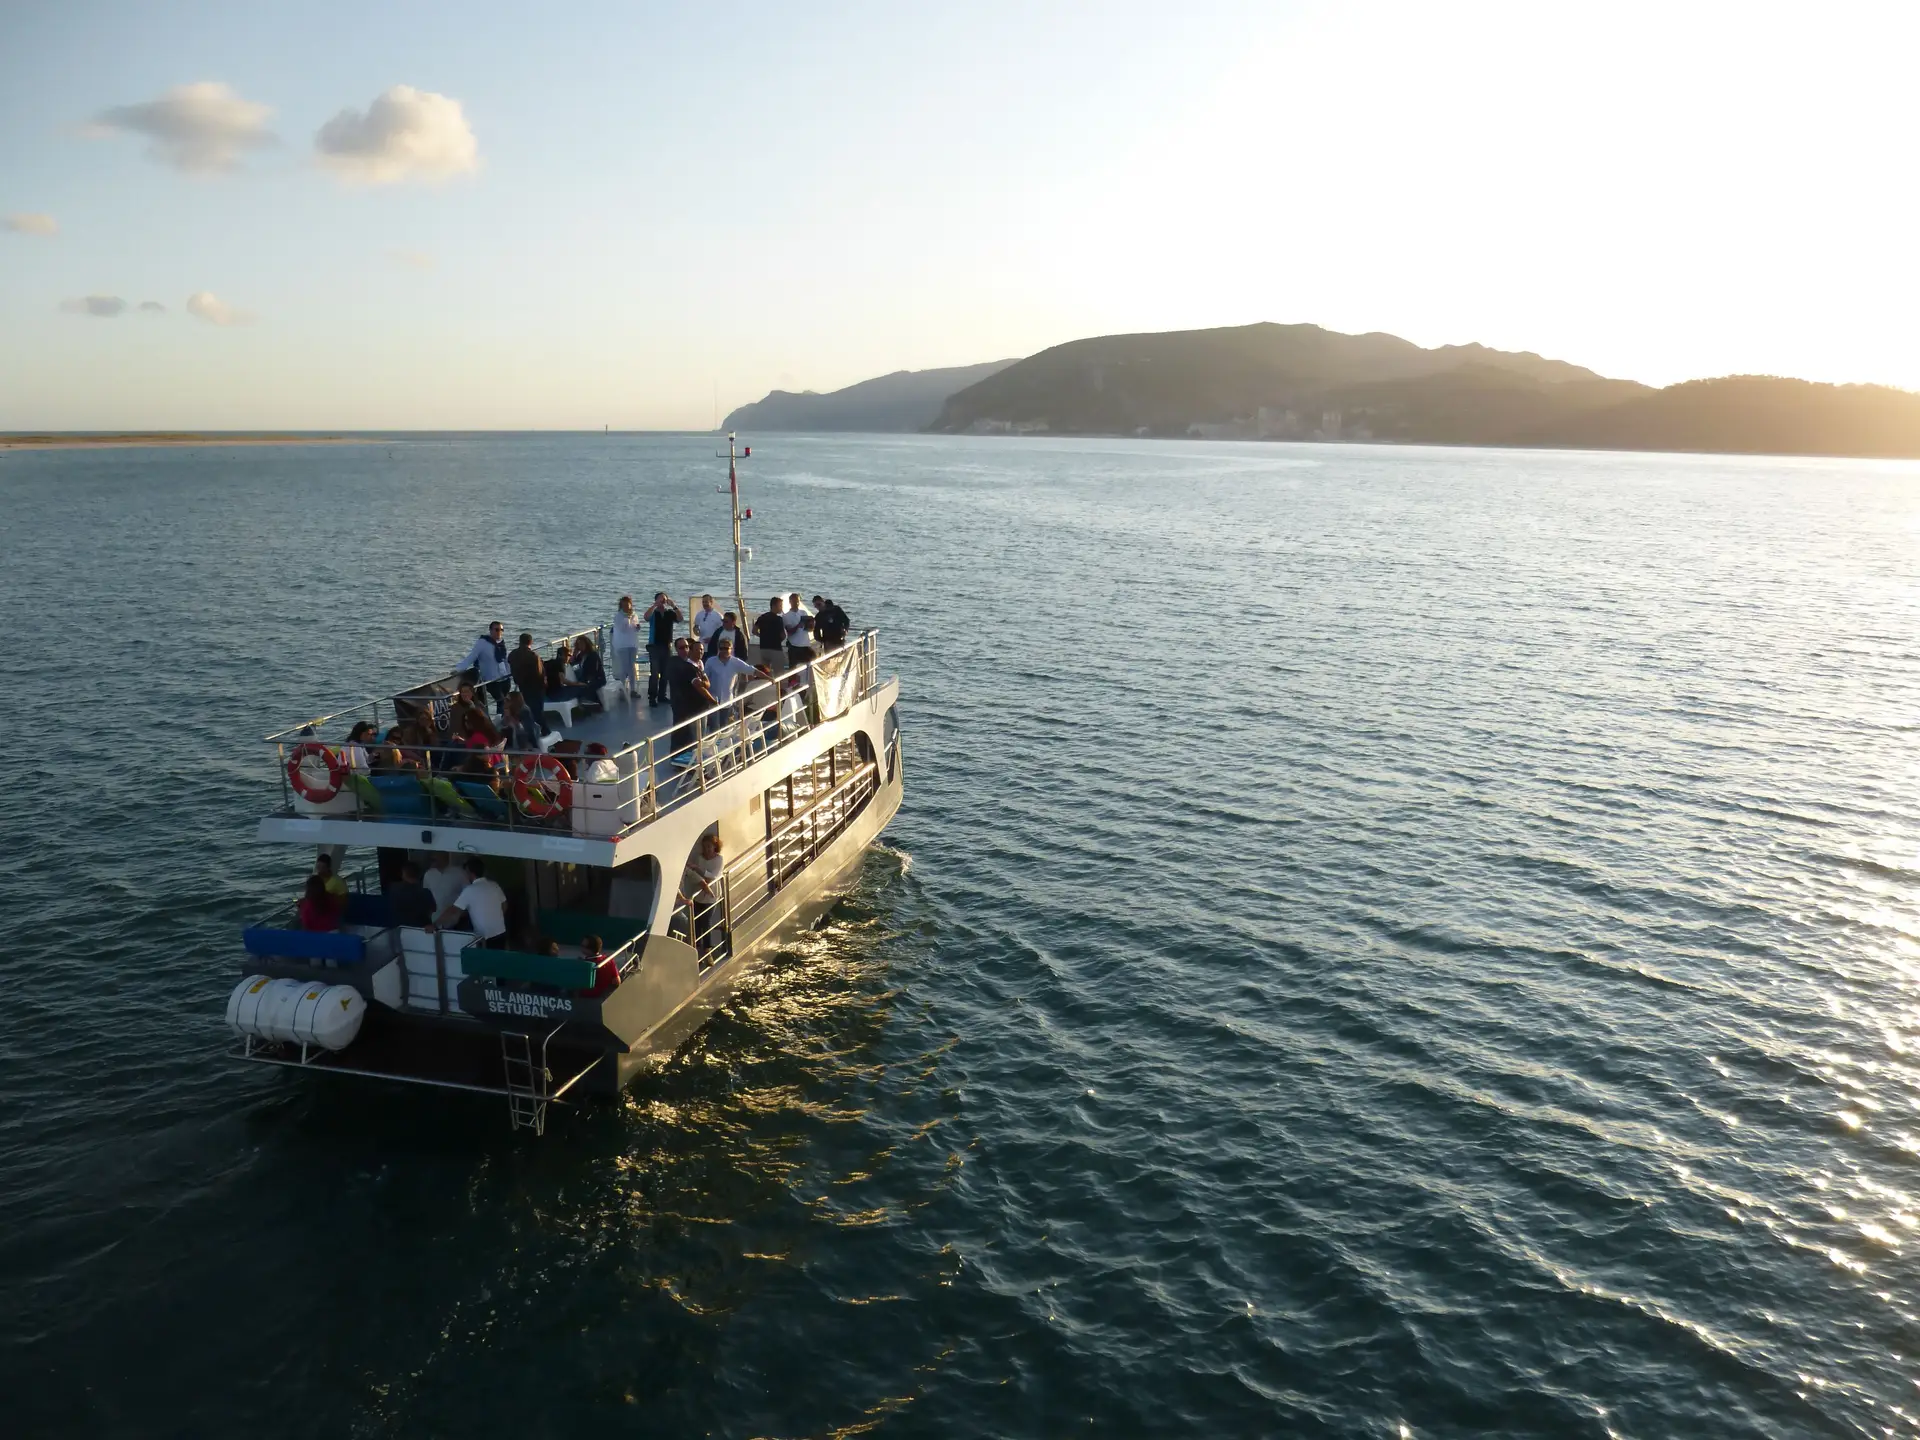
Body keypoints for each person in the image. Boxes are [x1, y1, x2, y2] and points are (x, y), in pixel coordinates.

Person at [434, 856, 508, 944]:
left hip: (485, 937)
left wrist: (435, 924)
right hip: (501, 932)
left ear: (469, 872)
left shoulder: (469, 890)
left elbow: (453, 910)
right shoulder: (494, 885)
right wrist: (494, 916)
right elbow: (504, 905)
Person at [664, 636, 715, 762]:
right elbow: (698, 684)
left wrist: (704, 683)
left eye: (687, 647)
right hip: (680, 703)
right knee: (680, 732)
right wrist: (713, 700)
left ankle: (687, 759)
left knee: (690, 734)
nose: (685, 650)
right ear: (676, 649)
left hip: (691, 705)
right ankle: (677, 759)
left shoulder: (695, 664)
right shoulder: (676, 663)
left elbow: (705, 683)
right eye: (681, 648)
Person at [680, 832, 725, 956]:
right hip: (699, 893)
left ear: (715, 847)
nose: (707, 849)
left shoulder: (719, 859)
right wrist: (701, 875)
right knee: (696, 922)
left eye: (709, 847)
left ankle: (707, 950)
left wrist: (696, 868)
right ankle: (696, 947)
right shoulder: (700, 858)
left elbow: (713, 876)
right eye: (705, 847)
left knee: (706, 921)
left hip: (712, 895)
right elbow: (701, 877)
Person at [458, 621, 513, 716]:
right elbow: (472, 656)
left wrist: (510, 672)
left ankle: (503, 721)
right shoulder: (483, 642)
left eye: (501, 630)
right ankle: (500, 723)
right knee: (501, 701)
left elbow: (504, 659)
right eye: (496, 629)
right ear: (490, 630)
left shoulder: (500, 642)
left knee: (505, 702)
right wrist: (459, 669)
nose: (499, 632)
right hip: (492, 680)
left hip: (505, 678)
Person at [508, 632, 550, 734]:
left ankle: (531, 731)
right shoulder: (533, 656)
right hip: (535, 688)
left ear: (520, 641)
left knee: (527, 709)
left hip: (522, 686)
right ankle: (545, 731)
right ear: (530, 642)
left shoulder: (512, 654)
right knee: (537, 711)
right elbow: (540, 673)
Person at [645, 592, 682, 705]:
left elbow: (680, 619)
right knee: (655, 673)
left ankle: (662, 695)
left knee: (666, 673)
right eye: (660, 600)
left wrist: (674, 606)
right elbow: (646, 617)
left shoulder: (669, 613)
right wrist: (654, 605)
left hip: (667, 646)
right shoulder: (653, 613)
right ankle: (652, 697)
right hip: (654, 646)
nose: (663, 602)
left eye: (664, 600)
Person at [612, 595, 643, 701]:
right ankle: (622, 690)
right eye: (624, 605)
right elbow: (623, 628)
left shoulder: (635, 615)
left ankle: (633, 690)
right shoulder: (618, 616)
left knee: (632, 667)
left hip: (632, 644)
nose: (627, 607)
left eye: (628, 604)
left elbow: (634, 627)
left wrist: (637, 627)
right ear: (621, 606)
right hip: (622, 645)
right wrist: (628, 618)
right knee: (624, 667)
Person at [387, 861, 436, 926]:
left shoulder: (394, 888)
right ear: (419, 874)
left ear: (404, 873)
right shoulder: (425, 892)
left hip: (399, 926)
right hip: (421, 928)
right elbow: (433, 909)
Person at [753, 596, 789, 672]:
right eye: (780, 606)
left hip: (764, 648)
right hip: (775, 648)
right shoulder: (778, 619)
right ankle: (776, 684)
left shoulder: (762, 617)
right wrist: (777, 640)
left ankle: (766, 683)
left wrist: (762, 637)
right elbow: (783, 635)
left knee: (765, 671)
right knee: (779, 671)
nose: (781, 608)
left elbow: (754, 631)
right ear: (774, 606)